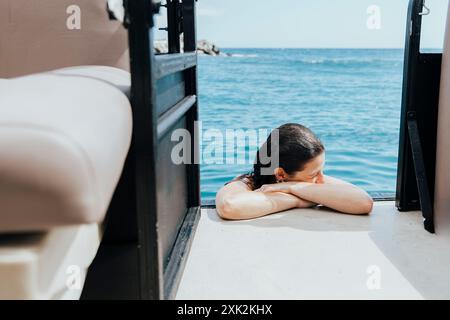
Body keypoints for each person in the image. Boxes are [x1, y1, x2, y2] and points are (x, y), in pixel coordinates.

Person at [216, 123, 373, 220]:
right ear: (280, 174)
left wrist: (291, 187)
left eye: (322, 171)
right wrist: (297, 200)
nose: (322, 180)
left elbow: (364, 202)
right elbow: (229, 206)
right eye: (314, 174)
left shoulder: (312, 178)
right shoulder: (246, 183)